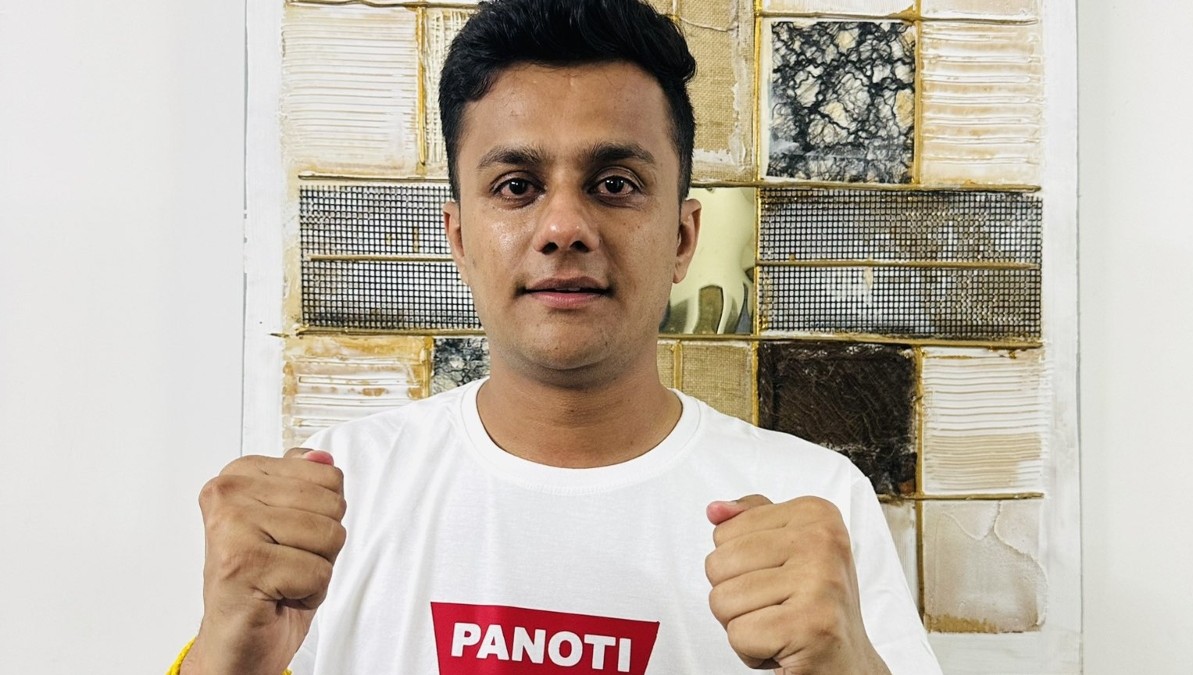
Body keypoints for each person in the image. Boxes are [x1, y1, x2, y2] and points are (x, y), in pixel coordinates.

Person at [173, 0, 942, 673]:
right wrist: (225, 657)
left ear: (682, 238)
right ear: (460, 238)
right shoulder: (333, 500)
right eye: (517, 186)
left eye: (614, 184)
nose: (565, 226)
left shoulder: (813, 502)